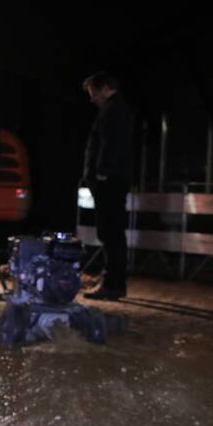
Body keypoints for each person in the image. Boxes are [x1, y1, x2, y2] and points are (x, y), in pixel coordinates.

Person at [81, 72, 137, 300]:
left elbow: (108, 146)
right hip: (112, 179)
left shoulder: (113, 113)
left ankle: (112, 284)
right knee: (112, 232)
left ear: (106, 88)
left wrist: (101, 174)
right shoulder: (115, 111)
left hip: (109, 181)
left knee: (110, 232)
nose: (92, 98)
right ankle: (114, 282)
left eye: (94, 92)